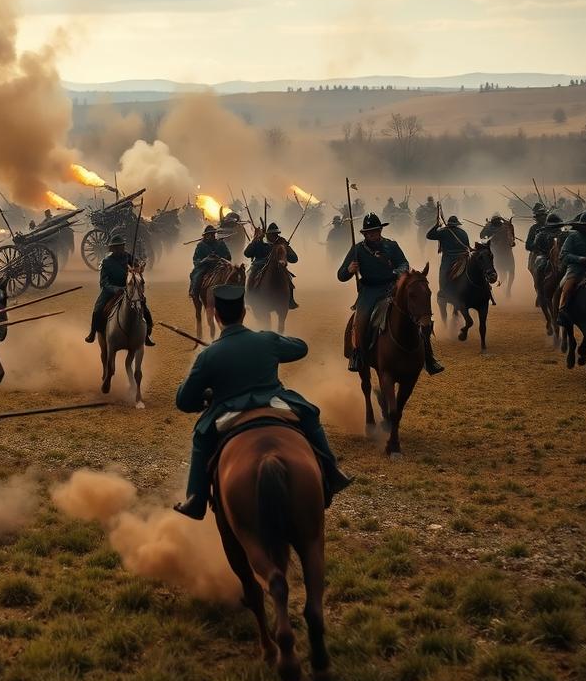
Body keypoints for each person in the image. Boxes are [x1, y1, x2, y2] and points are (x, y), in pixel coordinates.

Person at [172, 284, 352, 520]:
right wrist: (271, 341)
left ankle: (196, 500)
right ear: (244, 313)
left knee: (201, 437)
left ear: (216, 316)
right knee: (309, 415)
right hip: (274, 401)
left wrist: (207, 398)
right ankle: (331, 471)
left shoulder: (208, 355)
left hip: (228, 409)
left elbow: (184, 401)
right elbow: (300, 348)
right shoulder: (266, 340)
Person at [338, 212, 443, 375]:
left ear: (380, 230)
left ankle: (428, 357)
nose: (373, 234)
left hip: (392, 287)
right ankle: (358, 355)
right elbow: (341, 275)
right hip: (370, 291)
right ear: (364, 234)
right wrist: (349, 270)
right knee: (361, 319)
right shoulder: (357, 250)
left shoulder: (391, 246)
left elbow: (403, 263)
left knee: (420, 316)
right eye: (370, 232)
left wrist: (398, 272)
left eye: (376, 230)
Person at [85, 234, 154, 345]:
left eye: (121, 246)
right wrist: (115, 289)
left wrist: (138, 266)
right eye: (117, 247)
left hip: (128, 289)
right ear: (112, 249)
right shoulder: (106, 262)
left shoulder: (128, 257)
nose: (119, 249)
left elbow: (136, 267)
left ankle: (146, 335)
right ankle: (93, 333)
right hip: (111, 291)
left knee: (143, 306)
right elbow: (103, 282)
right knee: (97, 308)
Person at [243, 222, 299, 308]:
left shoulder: (280, 243)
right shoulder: (259, 241)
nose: (274, 236)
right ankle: (249, 298)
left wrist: (287, 247)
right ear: (267, 234)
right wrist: (254, 240)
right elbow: (247, 254)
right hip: (258, 265)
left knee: (288, 277)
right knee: (249, 275)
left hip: (277, 266)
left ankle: (290, 300)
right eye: (272, 234)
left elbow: (294, 259)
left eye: (276, 234)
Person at [425, 214, 470, 301]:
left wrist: (436, 226)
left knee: (443, 274)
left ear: (448, 224)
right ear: (457, 224)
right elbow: (467, 246)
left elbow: (429, 236)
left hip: (448, 259)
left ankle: (442, 293)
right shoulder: (463, 232)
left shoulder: (443, 231)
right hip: (463, 258)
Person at [189, 224, 231, 298]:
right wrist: (205, 260)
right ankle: (194, 291)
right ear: (205, 235)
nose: (211, 236)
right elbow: (196, 259)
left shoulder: (220, 244)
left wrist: (220, 258)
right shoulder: (201, 246)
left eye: (213, 234)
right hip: (205, 266)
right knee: (197, 275)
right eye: (209, 234)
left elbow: (228, 256)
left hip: (220, 265)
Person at [524, 203, 549, 274]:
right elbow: (528, 246)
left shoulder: (552, 226)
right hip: (539, 253)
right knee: (538, 267)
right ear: (537, 217)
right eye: (540, 216)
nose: (543, 217)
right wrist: (536, 246)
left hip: (553, 252)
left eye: (544, 215)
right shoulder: (533, 228)